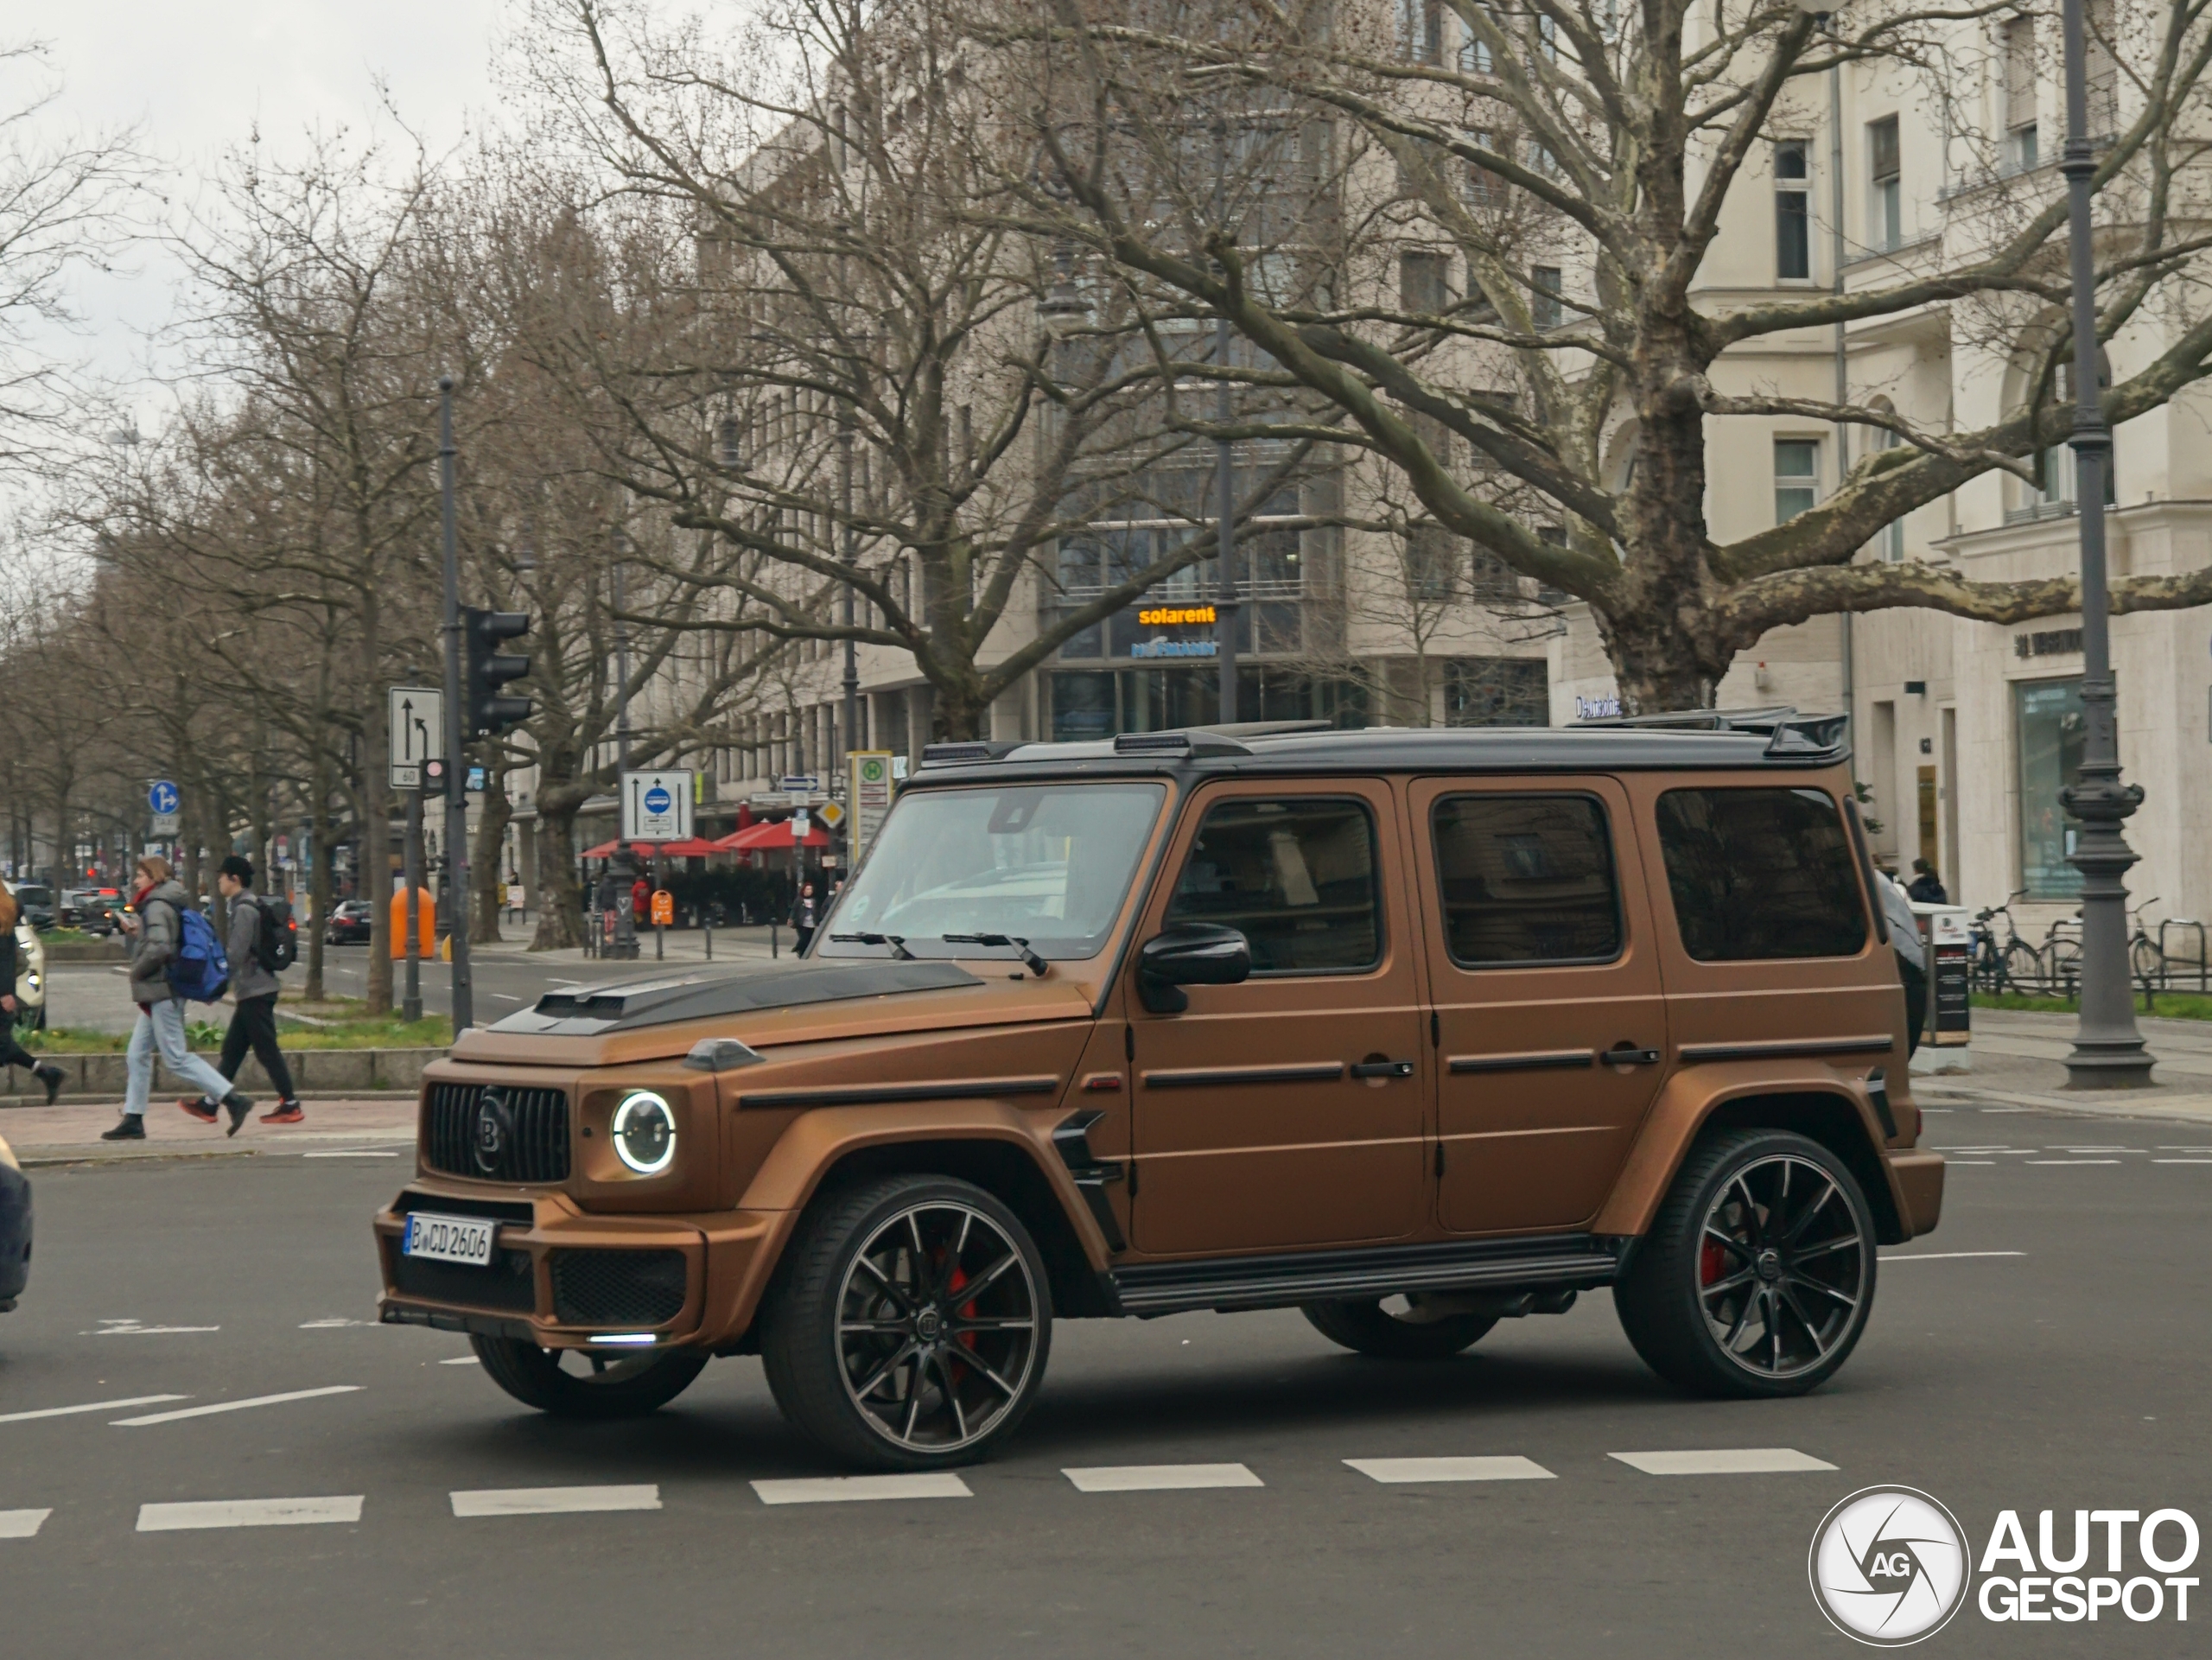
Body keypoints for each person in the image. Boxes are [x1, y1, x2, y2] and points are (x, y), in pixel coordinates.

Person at [101, 855, 252, 1141]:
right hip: (163, 990)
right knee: (137, 1054)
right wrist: (138, 932)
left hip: (163, 990)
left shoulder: (157, 904)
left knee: (176, 1057)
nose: (136, 881)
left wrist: (137, 971)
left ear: (154, 877)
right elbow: (163, 939)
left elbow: (160, 949)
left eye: (140, 876)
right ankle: (133, 1118)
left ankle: (232, 1099)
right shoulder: (166, 902)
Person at [180, 856, 302, 1127]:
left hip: (256, 990)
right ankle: (210, 1104)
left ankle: (290, 1104)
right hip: (252, 989)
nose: (219, 882)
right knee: (233, 1050)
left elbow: (236, 953)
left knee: (266, 1050)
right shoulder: (245, 904)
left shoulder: (245, 909)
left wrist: (215, 983)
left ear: (234, 879)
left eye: (222, 877)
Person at [0, 885, 64, 1104]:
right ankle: (46, 1072)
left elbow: (6, 959)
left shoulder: (5, 914)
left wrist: (6, 992)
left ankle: (47, 1072)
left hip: (2, 995)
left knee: (3, 1046)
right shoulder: (8, 912)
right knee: (4, 1046)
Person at [792, 880, 819, 953]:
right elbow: (794, 910)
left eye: (811, 889)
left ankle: (803, 951)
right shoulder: (799, 900)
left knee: (809, 939)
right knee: (803, 938)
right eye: (808, 889)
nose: (809, 891)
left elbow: (816, 911)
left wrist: (817, 920)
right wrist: (791, 918)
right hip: (801, 923)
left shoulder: (813, 901)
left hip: (811, 923)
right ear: (804, 890)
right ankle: (799, 949)